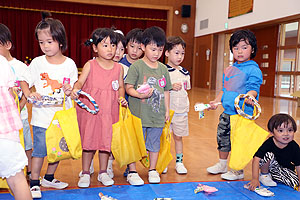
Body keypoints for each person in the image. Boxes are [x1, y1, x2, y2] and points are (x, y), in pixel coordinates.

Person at [20, 12, 77, 198]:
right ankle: (34, 182)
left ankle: (49, 178)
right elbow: (24, 81)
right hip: (41, 118)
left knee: (58, 149)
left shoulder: (69, 64)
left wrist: (70, 90)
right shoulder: (37, 63)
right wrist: (29, 94)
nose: (45, 46)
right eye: (41, 42)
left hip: (61, 117)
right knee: (40, 151)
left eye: (49, 41)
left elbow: (73, 87)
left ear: (60, 40)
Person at [71, 28, 127, 188]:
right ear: (95, 48)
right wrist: (76, 89)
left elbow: (121, 87)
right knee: (88, 142)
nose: (110, 49)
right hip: (91, 111)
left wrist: (121, 97)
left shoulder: (119, 68)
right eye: (105, 45)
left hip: (109, 110)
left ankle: (103, 172)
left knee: (106, 142)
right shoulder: (90, 64)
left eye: (113, 45)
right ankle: (85, 172)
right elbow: (80, 82)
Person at [206, 29, 263, 180]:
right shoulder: (229, 69)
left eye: (244, 47)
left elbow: (253, 89)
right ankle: (222, 164)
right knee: (222, 139)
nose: (240, 51)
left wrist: (250, 97)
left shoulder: (253, 69)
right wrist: (216, 102)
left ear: (253, 49)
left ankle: (237, 170)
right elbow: (225, 90)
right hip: (227, 113)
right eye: (236, 48)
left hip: (242, 114)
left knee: (239, 142)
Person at [125, 26, 172, 184]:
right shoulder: (137, 66)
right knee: (134, 142)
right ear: (143, 47)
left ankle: (152, 169)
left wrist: (166, 110)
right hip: (138, 115)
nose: (156, 53)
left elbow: (166, 91)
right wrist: (139, 94)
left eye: (160, 49)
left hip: (156, 115)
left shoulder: (163, 69)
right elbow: (128, 87)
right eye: (153, 49)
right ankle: (132, 171)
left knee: (154, 143)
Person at [0, 23, 33, 180]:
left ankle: (30, 172)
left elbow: (27, 90)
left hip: (21, 118)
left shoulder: (20, 67)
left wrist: (19, 108)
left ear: (8, 45)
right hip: (4, 123)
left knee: (26, 145)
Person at [0, 55, 32, 200]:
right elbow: (12, 91)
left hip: (5, 132)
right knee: (17, 178)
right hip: (5, 131)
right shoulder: (2, 62)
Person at [246, 113, 300, 191]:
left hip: (282, 170)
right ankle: (264, 175)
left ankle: (274, 177)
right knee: (268, 155)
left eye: (290, 130)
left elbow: (298, 165)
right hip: (269, 167)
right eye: (280, 131)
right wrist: (255, 178)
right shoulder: (269, 143)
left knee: (295, 182)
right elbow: (256, 159)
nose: (286, 134)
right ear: (271, 133)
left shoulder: (294, 146)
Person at [164, 36, 190, 174]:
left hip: (181, 111)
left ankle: (179, 162)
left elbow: (187, 90)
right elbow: (159, 89)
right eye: (176, 52)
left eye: (182, 53)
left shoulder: (185, 73)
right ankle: (164, 161)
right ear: (167, 53)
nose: (180, 56)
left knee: (178, 137)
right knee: (165, 138)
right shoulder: (162, 70)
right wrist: (170, 86)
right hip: (166, 111)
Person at [119, 28, 144, 177]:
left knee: (132, 136)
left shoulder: (143, 65)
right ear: (126, 45)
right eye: (132, 46)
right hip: (119, 106)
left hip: (135, 107)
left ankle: (131, 166)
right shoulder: (119, 62)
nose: (135, 51)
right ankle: (108, 165)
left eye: (139, 47)